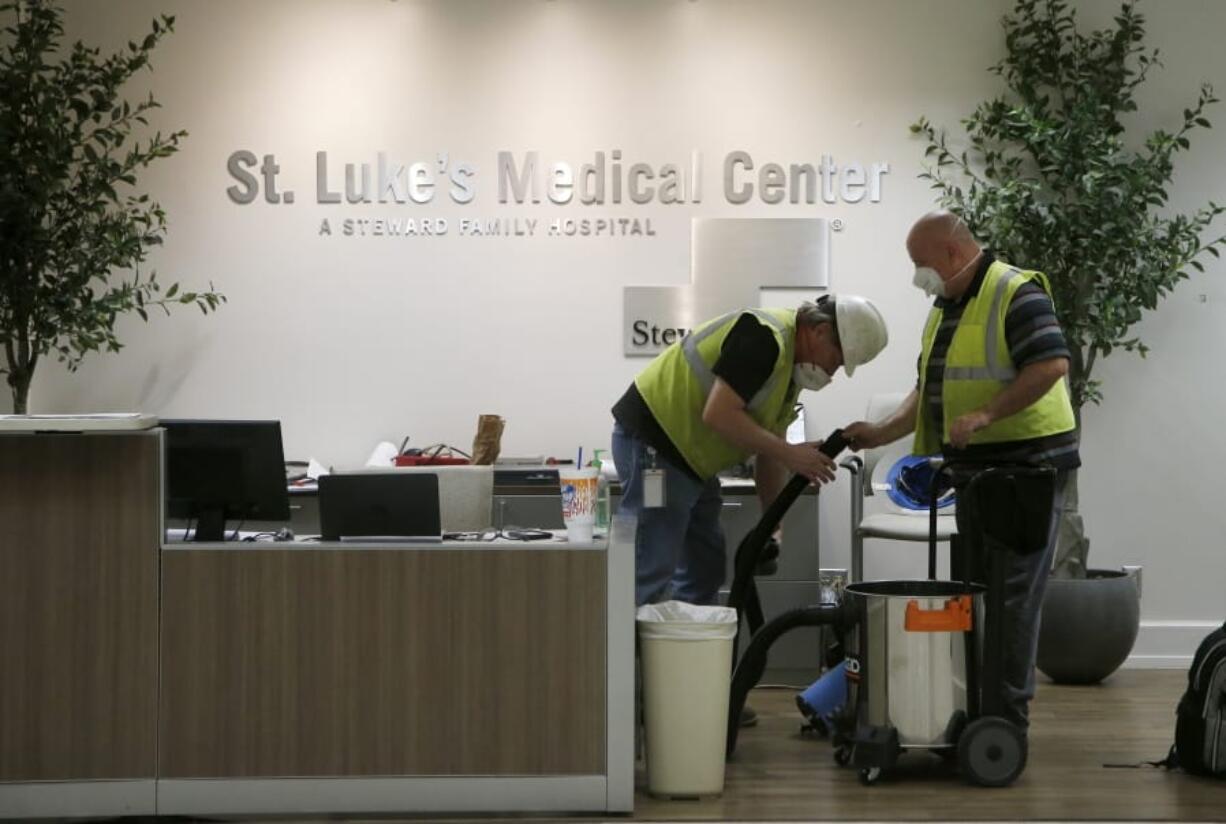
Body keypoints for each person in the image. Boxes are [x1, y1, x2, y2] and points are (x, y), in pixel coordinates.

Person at [844, 210, 1079, 733]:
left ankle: (1005, 723)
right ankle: (974, 707)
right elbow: (929, 387)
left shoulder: (1015, 292)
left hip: (1028, 470)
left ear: (952, 253)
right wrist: (879, 432)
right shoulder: (946, 306)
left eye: (920, 263)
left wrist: (987, 414)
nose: (916, 276)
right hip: (976, 475)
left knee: (1013, 597)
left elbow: (1051, 365)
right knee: (974, 591)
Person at [612, 295, 888, 609]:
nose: (832, 372)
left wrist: (772, 522)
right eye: (837, 359)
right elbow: (718, 413)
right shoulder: (763, 337)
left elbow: (769, 453)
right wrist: (790, 453)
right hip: (655, 445)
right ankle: (618, 656)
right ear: (820, 331)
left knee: (705, 569)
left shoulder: (788, 372)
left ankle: (692, 651)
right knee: (651, 564)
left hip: (691, 462)